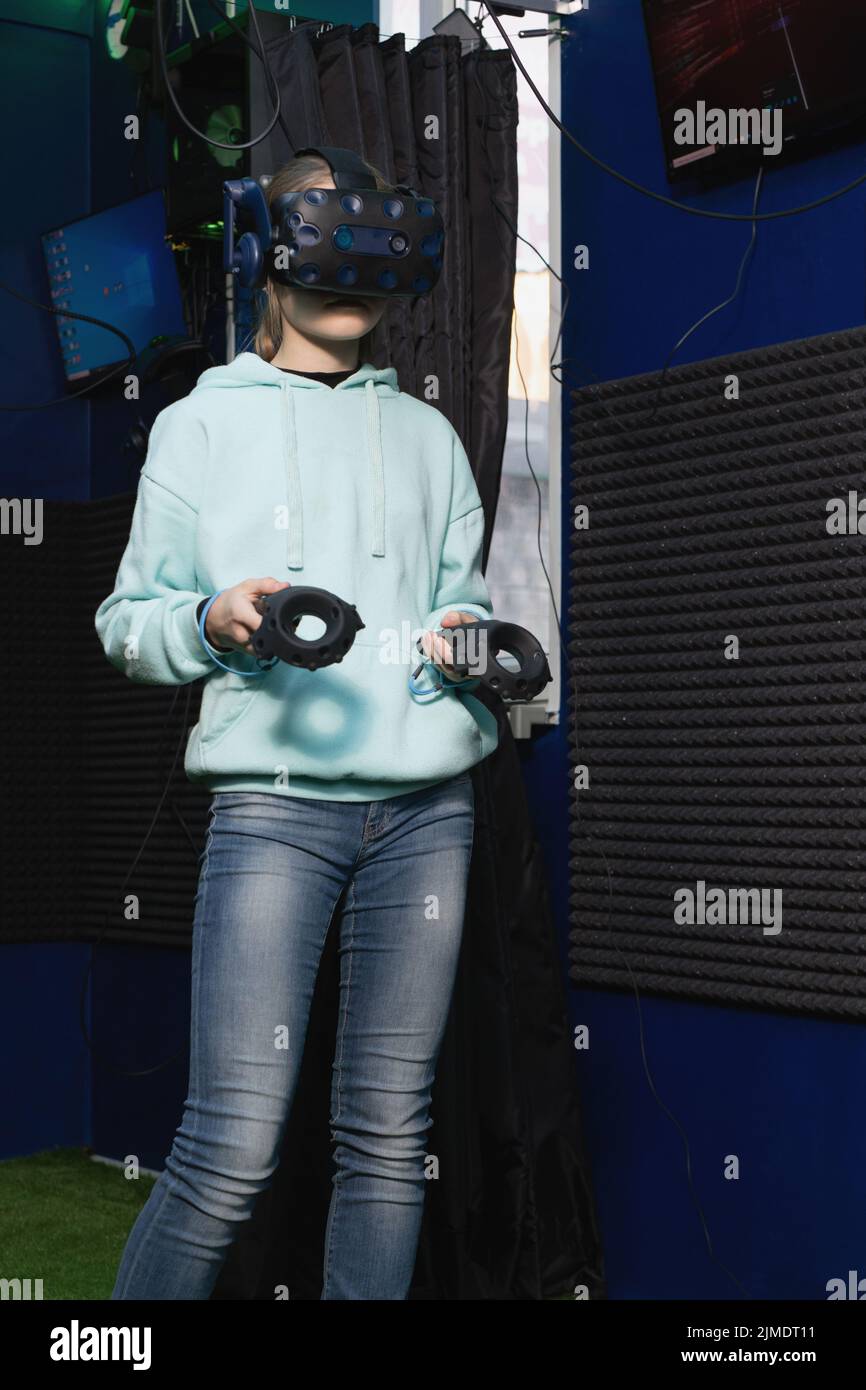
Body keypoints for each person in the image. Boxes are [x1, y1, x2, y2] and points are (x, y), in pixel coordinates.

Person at [94, 151, 499, 1300]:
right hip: (274, 808)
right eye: (321, 226)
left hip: (427, 813)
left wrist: (459, 638)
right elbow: (127, 623)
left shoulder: (425, 436)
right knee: (228, 1149)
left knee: (385, 1141)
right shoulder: (197, 428)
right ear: (268, 254)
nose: (349, 263)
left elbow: (456, 596)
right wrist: (209, 618)